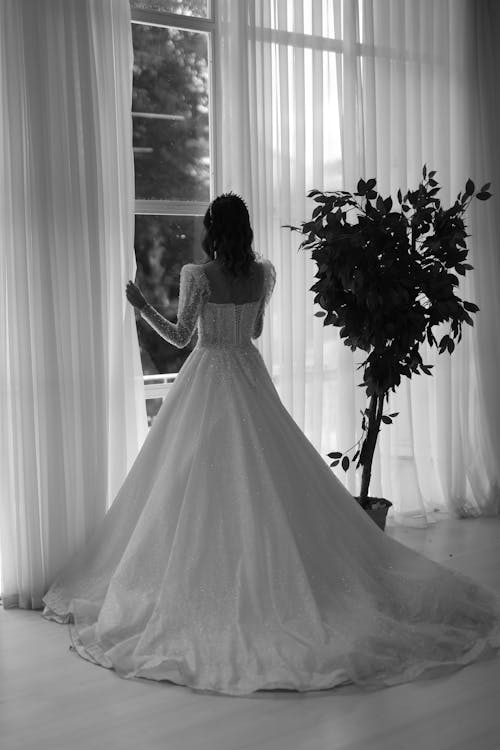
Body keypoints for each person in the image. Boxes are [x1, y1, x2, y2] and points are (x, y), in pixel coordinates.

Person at [42, 193, 500, 696]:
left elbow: (178, 338)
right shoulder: (263, 274)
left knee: (192, 482)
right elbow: (255, 328)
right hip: (248, 374)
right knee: (267, 475)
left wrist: (140, 305)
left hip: (209, 375)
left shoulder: (197, 274)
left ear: (213, 230)